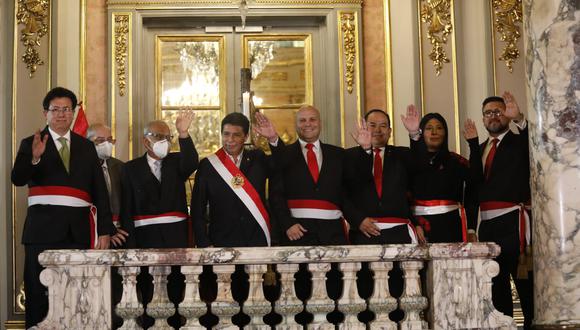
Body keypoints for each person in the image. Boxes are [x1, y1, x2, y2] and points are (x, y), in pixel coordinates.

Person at [11, 87, 114, 328]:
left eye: (66, 109)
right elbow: (17, 179)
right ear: (45, 113)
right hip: (41, 232)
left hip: (78, 232)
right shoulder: (31, 143)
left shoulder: (87, 147)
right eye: (55, 109)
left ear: (73, 113)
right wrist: (34, 158)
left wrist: (105, 230)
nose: (61, 114)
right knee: (39, 293)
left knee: (78, 294)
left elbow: (100, 191)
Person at [263, 105, 351, 326]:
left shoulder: (338, 154)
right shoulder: (285, 155)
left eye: (312, 119)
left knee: (334, 295)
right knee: (298, 297)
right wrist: (287, 224)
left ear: (320, 123)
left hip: (332, 235)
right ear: (296, 125)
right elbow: (276, 196)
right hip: (296, 233)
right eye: (302, 120)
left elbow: (347, 194)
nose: (308, 124)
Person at [191, 112, 279, 328]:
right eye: (226, 134)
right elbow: (197, 208)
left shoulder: (258, 158)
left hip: (256, 238)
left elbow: (281, 165)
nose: (229, 140)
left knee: (258, 301)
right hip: (222, 240)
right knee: (226, 301)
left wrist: (273, 140)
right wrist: (204, 243)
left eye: (235, 135)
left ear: (245, 136)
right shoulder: (209, 165)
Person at [119, 113, 198, 328]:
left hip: (175, 241)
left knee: (174, 292)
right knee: (146, 294)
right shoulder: (130, 169)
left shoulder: (176, 163)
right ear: (146, 141)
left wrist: (183, 133)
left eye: (168, 137)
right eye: (160, 136)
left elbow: (192, 161)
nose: (165, 141)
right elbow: (127, 209)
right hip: (145, 241)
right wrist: (131, 248)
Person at [344, 109, 420, 323]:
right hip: (364, 233)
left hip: (397, 234)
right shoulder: (349, 156)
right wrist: (358, 220)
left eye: (383, 125)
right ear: (363, 127)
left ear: (390, 130)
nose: (377, 130)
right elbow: (343, 195)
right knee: (365, 291)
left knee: (397, 291)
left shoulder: (403, 155)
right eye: (372, 125)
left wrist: (415, 135)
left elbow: (423, 164)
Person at [470, 92, 533, 329]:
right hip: (488, 227)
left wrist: (520, 119)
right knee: (495, 284)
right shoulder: (481, 148)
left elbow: (535, 140)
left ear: (506, 115)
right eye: (488, 113)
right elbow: (474, 185)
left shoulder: (519, 142)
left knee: (524, 283)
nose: (493, 116)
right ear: (483, 119)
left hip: (514, 225)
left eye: (498, 111)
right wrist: (470, 227)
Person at [400, 106, 483, 243]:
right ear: (422, 133)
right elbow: (401, 195)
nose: (434, 132)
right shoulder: (409, 161)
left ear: (445, 133)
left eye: (439, 128)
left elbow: (476, 180)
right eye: (428, 128)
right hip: (418, 226)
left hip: (450, 225)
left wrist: (473, 144)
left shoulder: (455, 161)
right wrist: (414, 223)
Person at [87, 123, 128, 246]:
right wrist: (107, 229)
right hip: (94, 231)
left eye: (110, 140)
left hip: (120, 233)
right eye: (100, 140)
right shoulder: (82, 167)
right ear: (88, 142)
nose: (107, 144)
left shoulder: (120, 167)